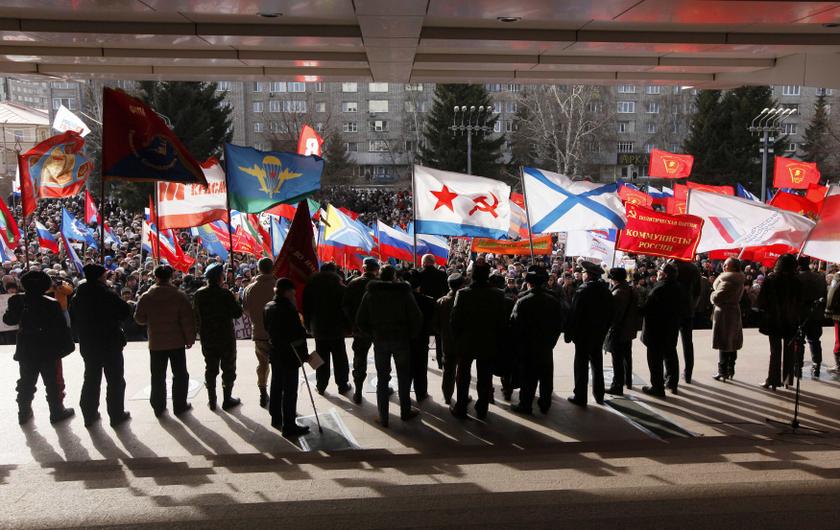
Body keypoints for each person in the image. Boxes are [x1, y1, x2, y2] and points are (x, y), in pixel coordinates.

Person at [4, 271, 75, 425]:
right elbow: (61, 329)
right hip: (47, 348)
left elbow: (8, 320)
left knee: (26, 381)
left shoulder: (17, 300)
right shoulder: (51, 303)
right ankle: (56, 411)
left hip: (26, 348)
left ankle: (23, 412)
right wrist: (66, 347)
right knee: (52, 382)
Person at [356, 265, 423, 426]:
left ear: (379, 276)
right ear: (394, 276)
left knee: (382, 378)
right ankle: (405, 411)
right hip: (401, 339)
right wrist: (411, 335)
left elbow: (360, 320)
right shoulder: (404, 293)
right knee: (404, 376)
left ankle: (383, 417)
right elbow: (417, 316)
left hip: (380, 339)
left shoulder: (370, 294)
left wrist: (371, 335)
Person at [69, 264, 132, 427]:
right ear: (99, 277)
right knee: (115, 379)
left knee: (91, 378)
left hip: (89, 342)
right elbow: (125, 311)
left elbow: (73, 318)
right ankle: (116, 414)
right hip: (109, 341)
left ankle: (89, 415)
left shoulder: (78, 295)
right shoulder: (106, 293)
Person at [135, 265, 197, 417]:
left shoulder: (146, 296)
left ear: (155, 277)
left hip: (156, 342)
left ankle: (158, 406)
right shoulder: (179, 296)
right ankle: (180, 405)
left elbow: (139, 318)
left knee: (157, 376)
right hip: (176, 342)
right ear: (171, 277)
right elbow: (187, 320)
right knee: (180, 374)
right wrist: (190, 339)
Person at [450, 261, 508, 419]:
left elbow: (455, 320)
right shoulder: (497, 294)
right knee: (484, 376)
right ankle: (482, 407)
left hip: (466, 341)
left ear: (472, 275)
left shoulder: (462, 294)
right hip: (488, 341)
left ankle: (461, 406)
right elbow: (502, 321)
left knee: (463, 376)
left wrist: (457, 340)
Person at [510, 266, 564, 415]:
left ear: (529, 284)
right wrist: (551, 342)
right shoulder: (553, 300)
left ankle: (525, 404)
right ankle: (545, 404)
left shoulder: (523, 301)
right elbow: (559, 324)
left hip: (528, 346)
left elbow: (514, 324)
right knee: (546, 376)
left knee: (528, 377)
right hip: (546, 345)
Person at [263, 278, 311, 437]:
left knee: (276, 384)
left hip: (275, 352)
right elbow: (298, 334)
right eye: (293, 292)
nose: (294, 294)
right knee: (290, 390)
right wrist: (304, 355)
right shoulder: (289, 309)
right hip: (290, 354)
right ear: (287, 292)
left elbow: (266, 327)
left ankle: (275, 416)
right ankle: (289, 425)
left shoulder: (268, 307)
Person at [193, 263, 244, 410]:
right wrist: (235, 299)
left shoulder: (199, 294)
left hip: (207, 337)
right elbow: (237, 313)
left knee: (210, 368)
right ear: (219, 277)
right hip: (225, 337)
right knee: (228, 368)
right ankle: (227, 399)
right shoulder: (225, 294)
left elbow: (196, 315)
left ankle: (212, 400)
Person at [565, 261, 613, 406]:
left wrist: (569, 333)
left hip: (583, 334)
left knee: (581, 365)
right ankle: (599, 394)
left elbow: (574, 314)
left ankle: (580, 396)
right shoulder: (605, 290)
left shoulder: (583, 290)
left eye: (584, 273)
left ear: (588, 275)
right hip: (598, 333)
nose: (583, 275)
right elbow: (611, 313)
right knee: (597, 364)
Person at [640, 263, 690, 398]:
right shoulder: (679, 288)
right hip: (671, 329)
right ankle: (672, 383)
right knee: (670, 355)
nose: (657, 272)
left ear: (665, 274)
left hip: (655, 330)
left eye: (660, 270)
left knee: (655, 360)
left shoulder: (659, 289)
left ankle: (657, 387)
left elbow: (646, 309)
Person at [302, 262, 351, 395]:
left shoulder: (311, 286)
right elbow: (346, 307)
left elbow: (306, 308)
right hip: (336, 328)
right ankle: (342, 384)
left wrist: (307, 324)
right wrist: (348, 326)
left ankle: (321, 385)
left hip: (318, 328)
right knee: (340, 358)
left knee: (321, 357)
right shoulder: (339, 286)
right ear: (334, 271)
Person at [756, 254, 802, 390]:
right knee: (789, 351)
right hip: (791, 320)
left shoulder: (771, 279)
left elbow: (761, 302)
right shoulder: (797, 281)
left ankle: (773, 380)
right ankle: (787, 379)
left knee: (775, 350)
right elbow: (800, 302)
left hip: (774, 319)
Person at [341, 257, 379, 404]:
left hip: (359, 329)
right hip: (377, 329)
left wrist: (353, 323)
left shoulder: (353, 283)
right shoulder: (380, 284)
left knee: (360, 359)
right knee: (381, 359)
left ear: (363, 269)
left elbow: (345, 306)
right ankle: (383, 385)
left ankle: (358, 391)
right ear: (376, 270)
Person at [242, 257, 276, 408]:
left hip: (260, 332)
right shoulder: (278, 285)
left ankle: (263, 392)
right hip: (278, 334)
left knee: (262, 364)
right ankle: (278, 392)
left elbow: (246, 310)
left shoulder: (250, 288)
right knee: (279, 365)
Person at [604, 267, 638, 396]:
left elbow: (614, 315)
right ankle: (627, 381)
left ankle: (617, 386)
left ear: (614, 279)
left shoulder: (617, 293)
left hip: (618, 330)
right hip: (628, 329)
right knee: (627, 357)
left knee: (617, 359)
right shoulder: (630, 289)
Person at [711, 258, 746, 381]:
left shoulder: (728, 281)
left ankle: (722, 371)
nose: (724, 266)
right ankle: (731, 369)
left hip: (724, 314)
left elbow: (717, 297)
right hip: (733, 312)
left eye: (726, 265)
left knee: (723, 342)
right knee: (732, 342)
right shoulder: (738, 280)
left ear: (733, 267)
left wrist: (712, 294)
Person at [434, 273, 465, 405]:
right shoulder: (466, 301)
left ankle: (447, 396)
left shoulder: (441, 302)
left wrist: (442, 332)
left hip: (447, 341)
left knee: (448, 370)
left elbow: (435, 324)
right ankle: (462, 398)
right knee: (463, 371)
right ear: (462, 285)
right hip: (463, 342)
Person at [408, 270, 436, 401]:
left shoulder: (401, 300)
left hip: (406, 338)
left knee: (406, 368)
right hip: (422, 337)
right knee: (421, 367)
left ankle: (405, 393)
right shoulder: (428, 301)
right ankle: (421, 392)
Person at [797, 257, 827, 378]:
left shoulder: (797, 278)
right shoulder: (819, 278)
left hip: (800, 315)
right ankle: (816, 365)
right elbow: (824, 295)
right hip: (816, 314)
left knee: (799, 342)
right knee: (814, 341)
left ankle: (797, 366)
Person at [673, 260, 701, 383]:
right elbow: (697, 291)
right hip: (688, 309)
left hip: (673, 310)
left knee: (670, 343)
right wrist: (692, 306)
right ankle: (688, 373)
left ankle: (670, 373)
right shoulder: (693, 268)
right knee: (688, 343)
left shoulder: (672, 265)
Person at [418, 254, 448, 369]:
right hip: (438, 309)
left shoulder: (420, 275)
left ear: (424, 262)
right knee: (439, 338)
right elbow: (445, 291)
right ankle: (441, 363)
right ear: (433, 262)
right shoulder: (442, 274)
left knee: (423, 338)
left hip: (424, 311)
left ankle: (423, 363)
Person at [826, 272, 840, 375]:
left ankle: (838, 366)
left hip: (839, 313)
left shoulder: (838, 276)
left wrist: (828, 309)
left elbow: (832, 292)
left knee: (839, 340)